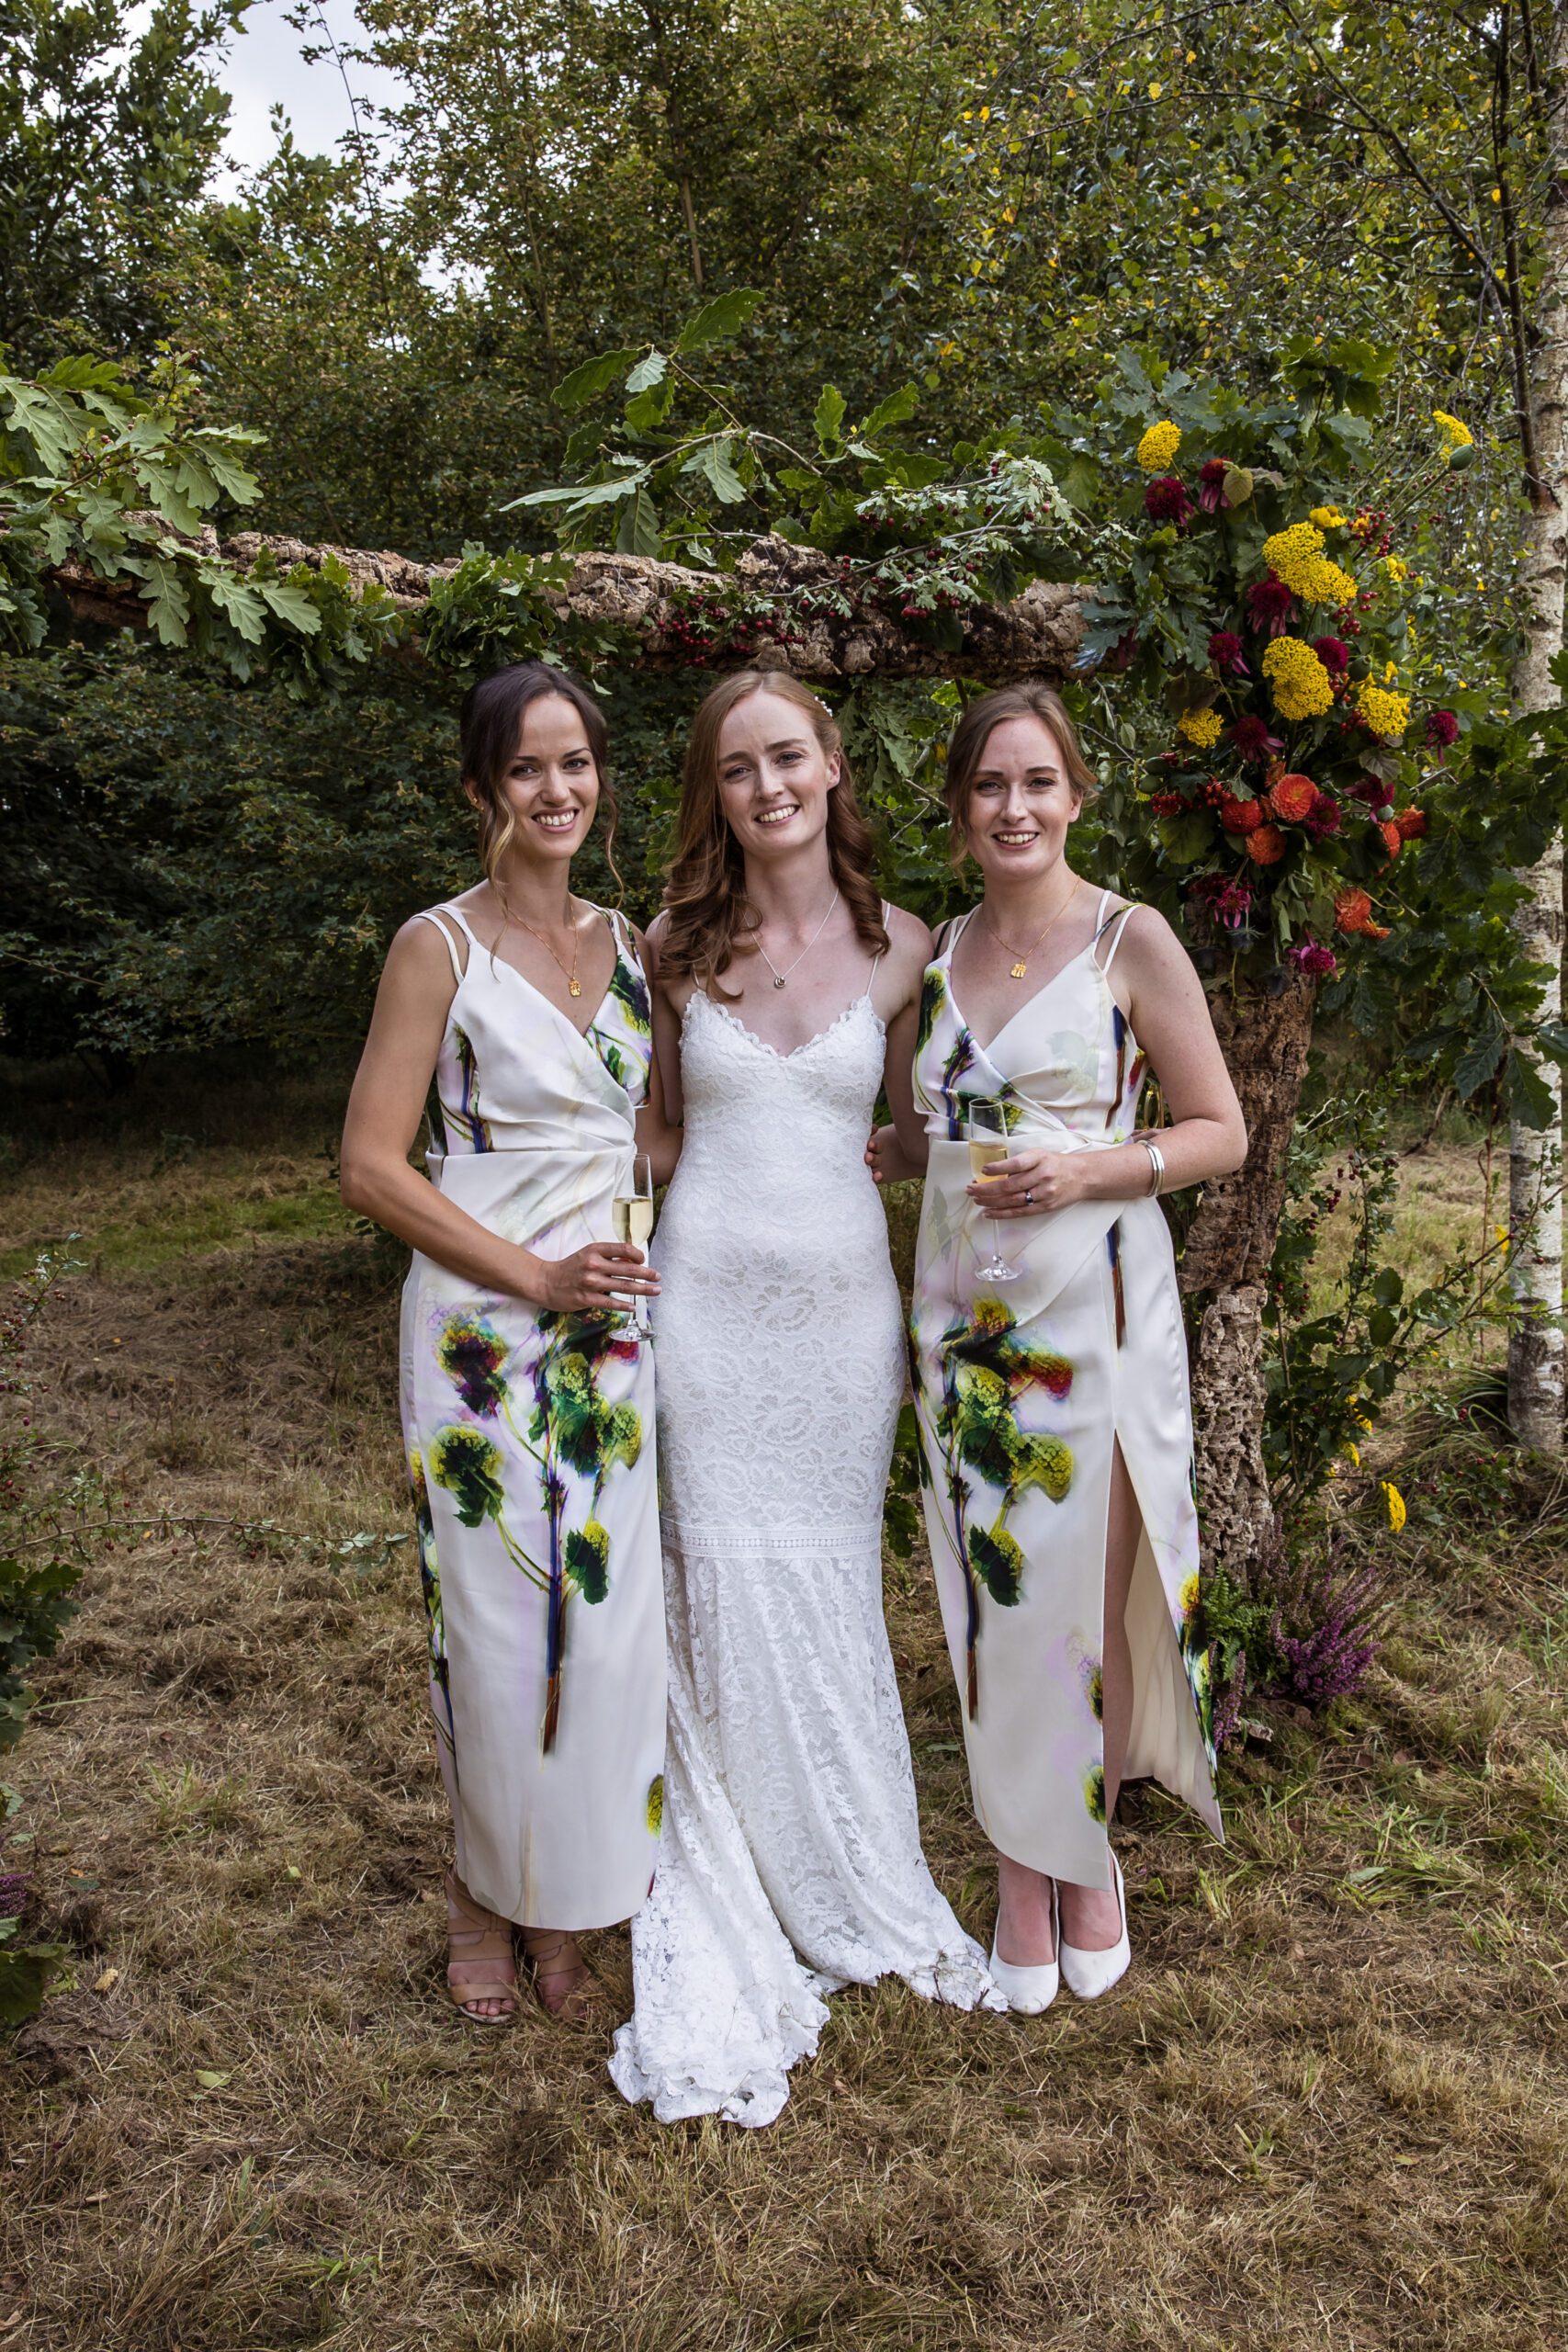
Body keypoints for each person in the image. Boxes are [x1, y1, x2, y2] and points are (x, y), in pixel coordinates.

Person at [609, 669, 998, 2128]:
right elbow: (652, 1133)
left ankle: (848, 1871)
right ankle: (731, 1872)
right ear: (712, 792)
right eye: (734, 768)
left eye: (788, 757)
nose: (766, 785)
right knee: (717, 1581)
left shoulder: (908, 947)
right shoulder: (668, 946)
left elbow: (909, 1131)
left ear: (834, 766)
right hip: (703, 1308)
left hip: (842, 1321)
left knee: (827, 1583)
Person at [869, 682, 1247, 2013]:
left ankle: (1085, 1864)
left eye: (1038, 783)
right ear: (960, 809)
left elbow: (1219, 1130)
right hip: (959, 1326)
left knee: (1076, 1587)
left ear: (1077, 794)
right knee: (990, 1596)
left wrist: (1094, 1169)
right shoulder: (933, 955)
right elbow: (920, 1139)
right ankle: (1020, 1867)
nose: (1014, 808)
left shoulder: (1126, 941)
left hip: (1095, 1307)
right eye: (988, 787)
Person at [340, 660, 666, 2024]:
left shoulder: (634, 940)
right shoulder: (440, 946)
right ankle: (481, 1896)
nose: (557, 789)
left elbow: (651, 1132)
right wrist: (534, 1273)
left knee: (595, 1620)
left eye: (576, 762)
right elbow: (369, 1165)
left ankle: (568, 1907)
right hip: (483, 1329)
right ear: (483, 788)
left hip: (615, 1331)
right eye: (527, 767)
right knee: (490, 1624)